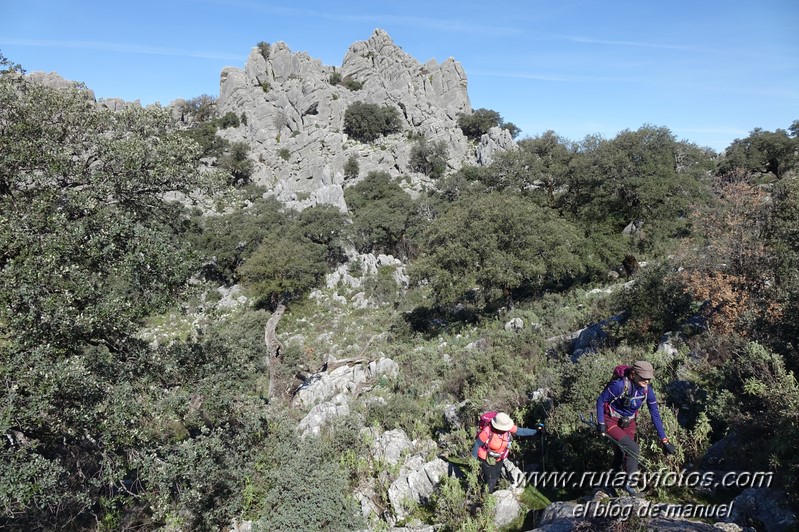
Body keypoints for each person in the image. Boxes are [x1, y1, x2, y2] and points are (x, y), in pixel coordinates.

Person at [596, 360, 677, 495]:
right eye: (643, 378)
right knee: (633, 448)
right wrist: (601, 423)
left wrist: (665, 441)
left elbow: (655, 415)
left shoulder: (647, 391)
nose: (646, 381)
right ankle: (630, 484)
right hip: (610, 420)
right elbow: (600, 401)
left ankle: (608, 485)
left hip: (629, 422)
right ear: (633, 374)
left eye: (649, 379)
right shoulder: (619, 385)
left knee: (621, 452)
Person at [471, 412, 539, 493]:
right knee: (491, 480)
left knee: (495, 476)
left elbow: (521, 431)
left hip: (499, 457)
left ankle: (481, 486)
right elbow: (477, 445)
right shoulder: (487, 431)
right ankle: (485, 497)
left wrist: (536, 432)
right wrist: (474, 463)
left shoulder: (507, 429)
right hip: (485, 457)